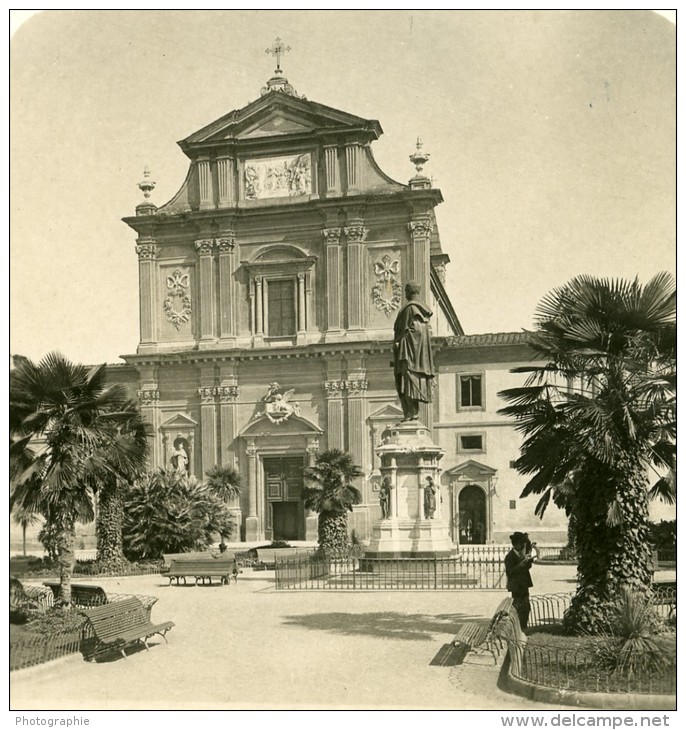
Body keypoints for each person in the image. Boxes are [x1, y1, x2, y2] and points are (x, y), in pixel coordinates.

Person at [392, 282, 435, 421]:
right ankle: (410, 413)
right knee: (407, 382)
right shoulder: (418, 309)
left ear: (410, 291)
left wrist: (401, 341)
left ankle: (411, 413)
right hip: (410, 353)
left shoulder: (411, 309)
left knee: (409, 381)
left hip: (408, 353)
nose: (404, 293)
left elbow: (416, 331)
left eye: (406, 290)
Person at [504, 531, 535, 630]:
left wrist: (528, 562)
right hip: (516, 586)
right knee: (518, 608)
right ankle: (519, 628)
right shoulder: (510, 556)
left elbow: (527, 568)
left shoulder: (521, 554)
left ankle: (524, 626)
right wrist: (520, 565)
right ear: (516, 544)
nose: (523, 545)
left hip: (524, 585)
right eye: (521, 543)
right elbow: (509, 572)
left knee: (526, 607)